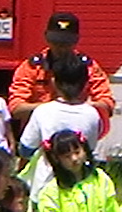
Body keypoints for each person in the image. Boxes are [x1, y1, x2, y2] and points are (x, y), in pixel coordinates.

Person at [7, 12, 115, 130]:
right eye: (56, 42)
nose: (61, 48)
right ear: (46, 37)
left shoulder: (88, 67)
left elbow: (107, 105)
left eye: (66, 44)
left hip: (75, 136)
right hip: (39, 134)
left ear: (76, 40)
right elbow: (16, 109)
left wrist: (76, 108)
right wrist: (54, 108)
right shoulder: (32, 67)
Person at [17, 54, 105, 192]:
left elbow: (25, 149)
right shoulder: (93, 114)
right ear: (85, 83)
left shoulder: (42, 111)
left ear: (54, 82)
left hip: (45, 185)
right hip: (80, 186)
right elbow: (90, 148)